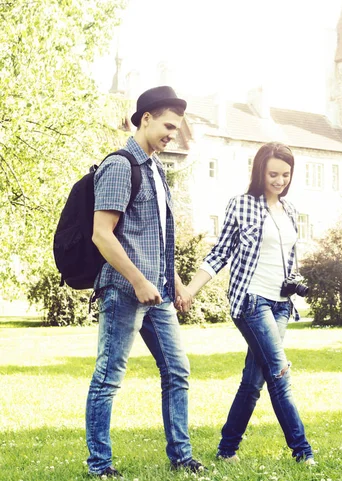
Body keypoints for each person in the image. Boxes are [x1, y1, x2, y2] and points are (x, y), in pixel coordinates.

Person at [85, 86, 203, 478]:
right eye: (168, 125)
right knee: (109, 376)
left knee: (177, 371)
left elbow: (158, 238)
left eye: (177, 127)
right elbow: (102, 233)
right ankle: (100, 465)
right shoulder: (121, 165)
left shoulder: (155, 168)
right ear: (146, 118)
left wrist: (177, 283)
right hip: (125, 290)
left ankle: (182, 455)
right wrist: (137, 281)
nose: (173, 133)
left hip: (158, 293)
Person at [186, 142, 315, 465]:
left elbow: (288, 260)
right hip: (252, 301)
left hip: (282, 304)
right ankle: (303, 452)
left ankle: (227, 449)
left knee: (253, 380)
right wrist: (189, 290)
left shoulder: (291, 210)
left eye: (285, 174)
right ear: (260, 172)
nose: (279, 180)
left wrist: (296, 280)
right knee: (279, 373)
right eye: (273, 174)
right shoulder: (241, 205)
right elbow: (220, 253)